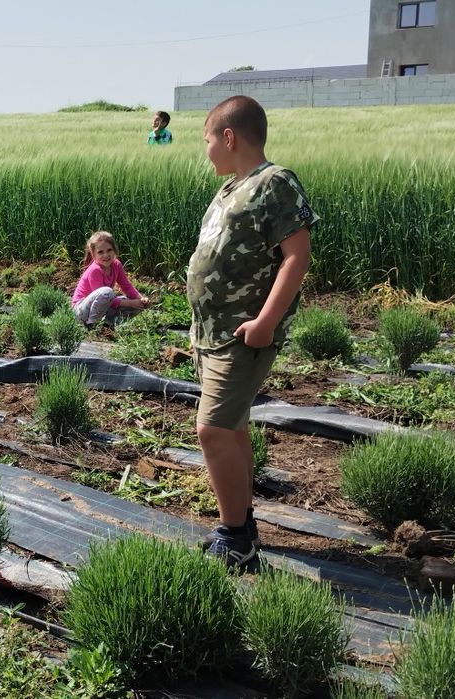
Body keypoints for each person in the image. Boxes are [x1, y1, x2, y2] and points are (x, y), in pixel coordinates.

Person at [187, 95, 317, 568]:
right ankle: (242, 523)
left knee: (213, 430)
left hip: (243, 334)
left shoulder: (274, 183)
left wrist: (265, 322)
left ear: (228, 137)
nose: (204, 150)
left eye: (206, 140)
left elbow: (296, 257)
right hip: (214, 333)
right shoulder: (230, 189)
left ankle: (237, 539)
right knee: (233, 427)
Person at [72, 231, 149, 326]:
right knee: (107, 292)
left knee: (138, 304)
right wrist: (130, 303)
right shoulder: (95, 270)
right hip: (81, 310)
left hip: (101, 305)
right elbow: (104, 297)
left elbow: (126, 286)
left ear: (114, 250)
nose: (106, 255)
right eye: (100, 252)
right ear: (93, 254)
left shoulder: (116, 265)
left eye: (109, 250)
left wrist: (141, 299)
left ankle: (108, 325)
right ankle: (92, 325)